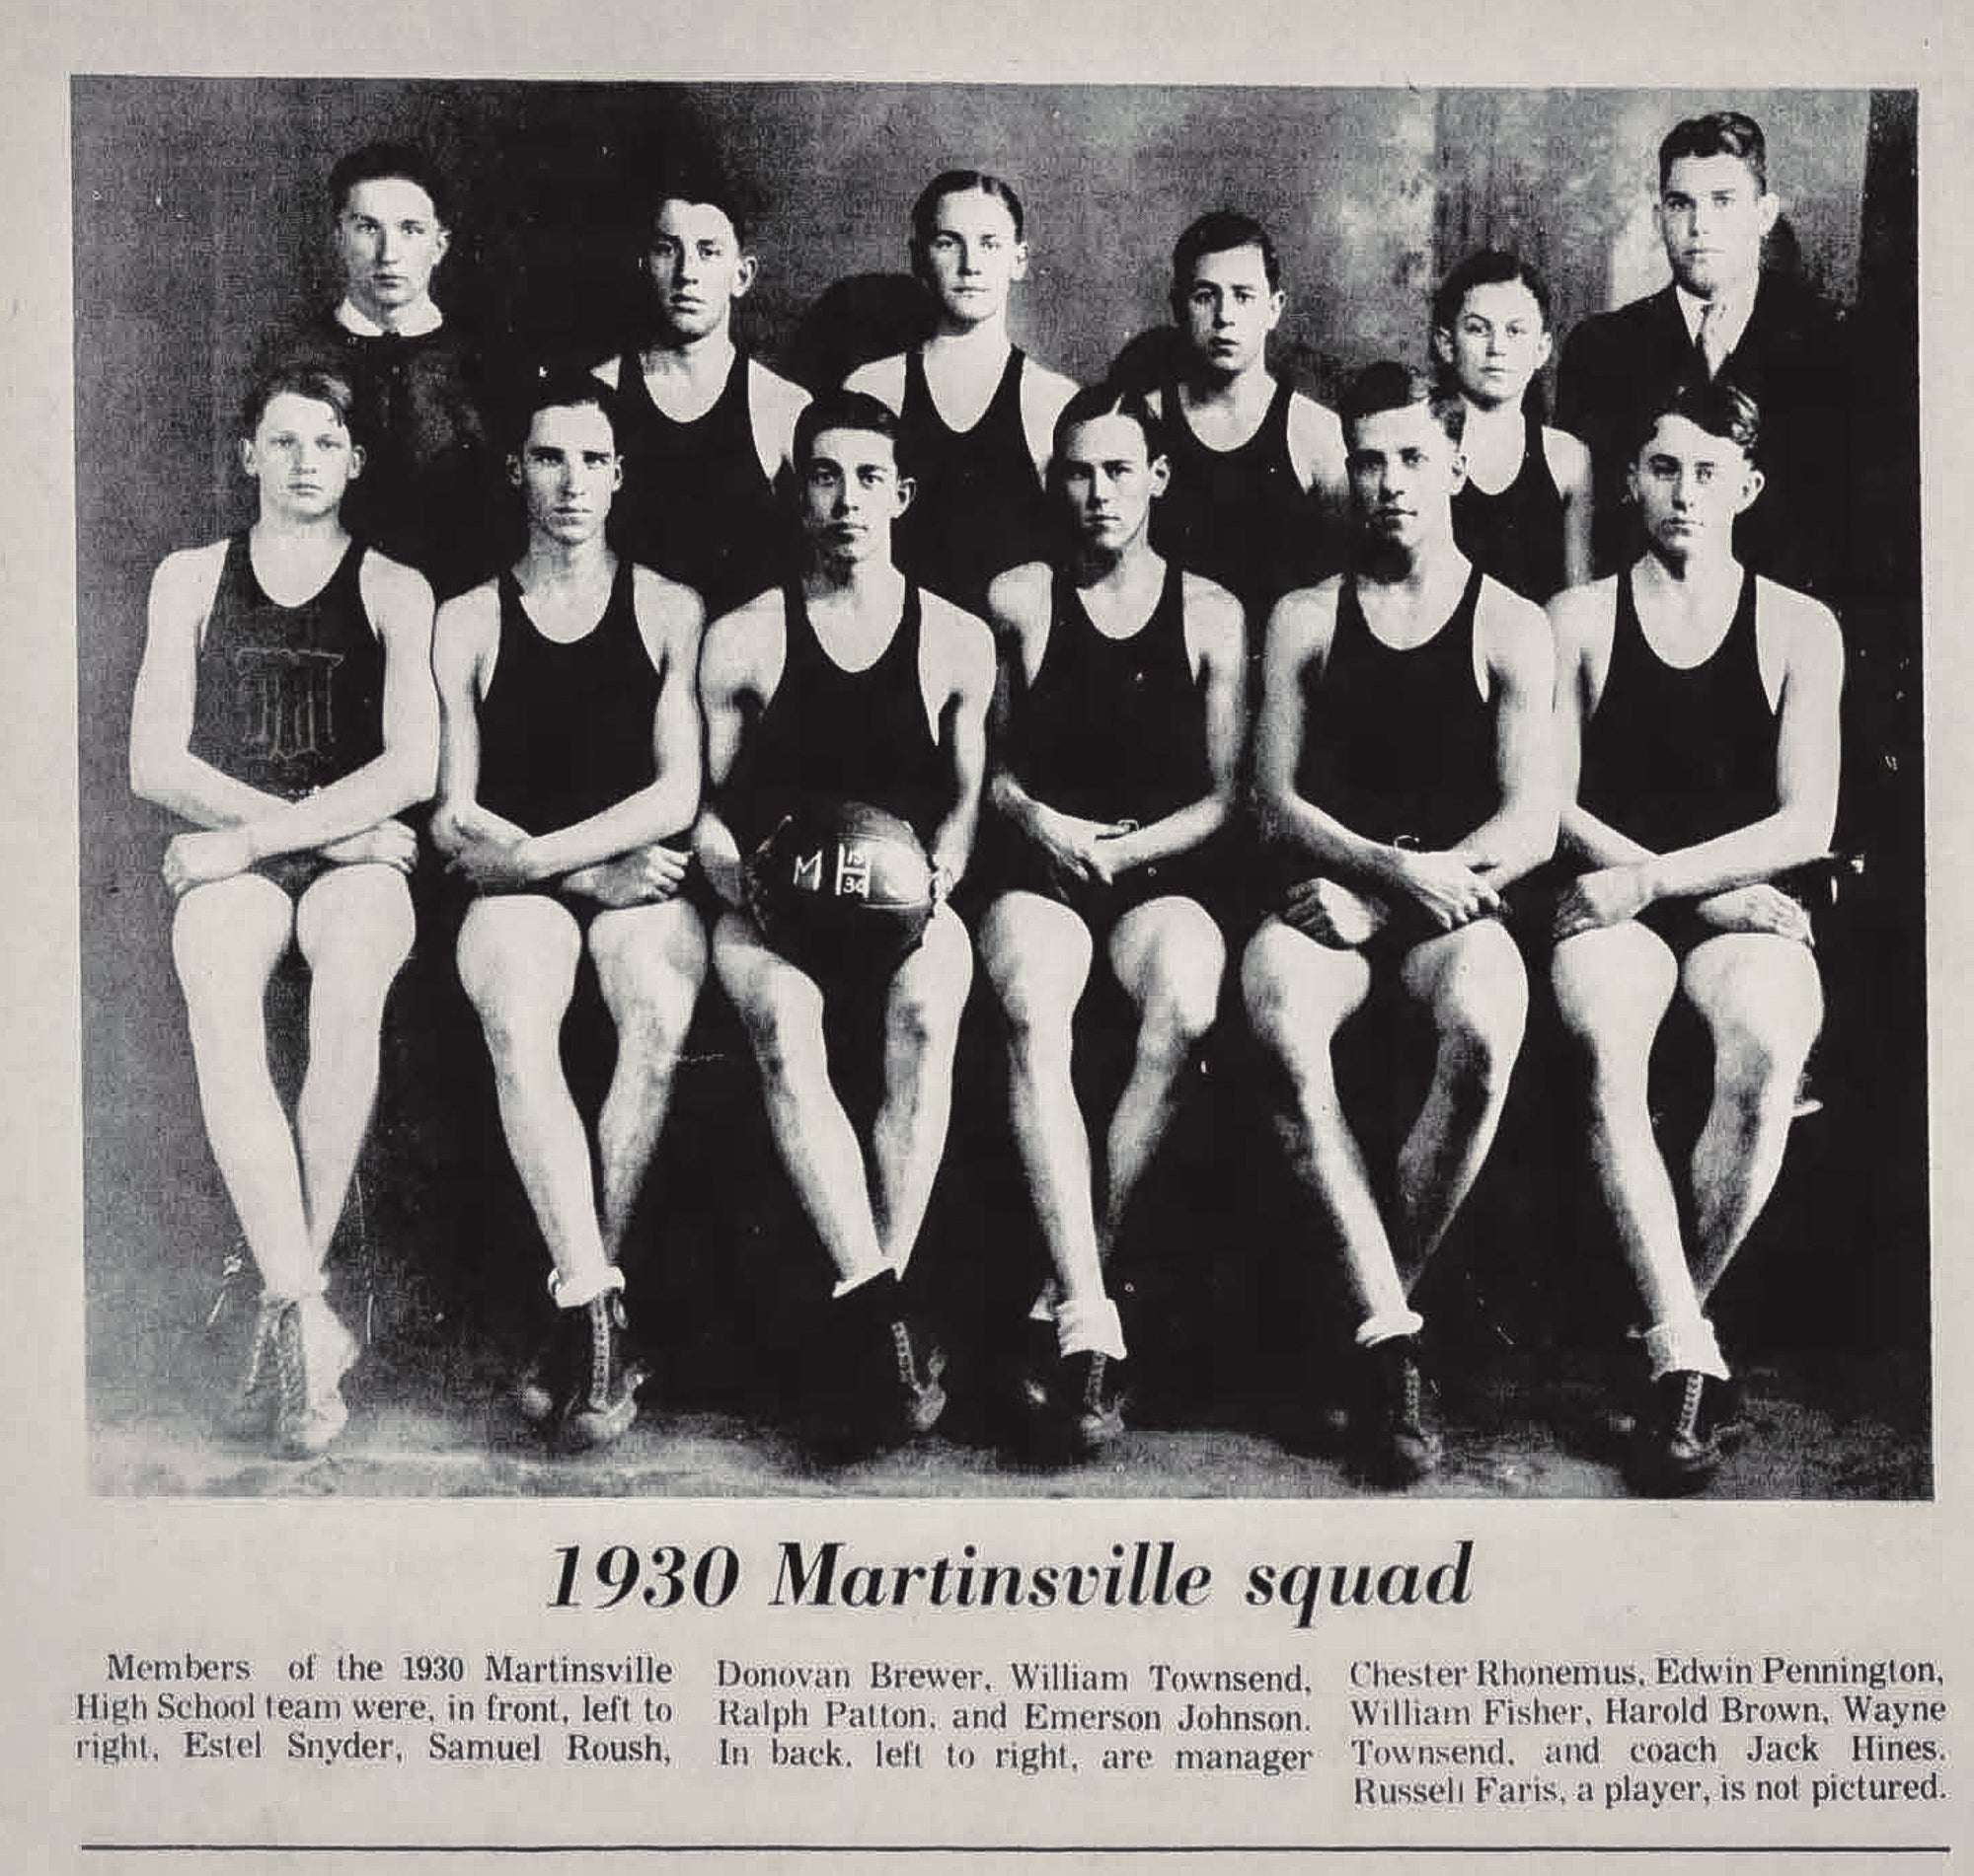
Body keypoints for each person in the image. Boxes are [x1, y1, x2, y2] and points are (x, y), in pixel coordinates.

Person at [1241, 363, 1555, 1484]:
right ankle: (1392, 1347)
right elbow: (1270, 800)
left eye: (1413, 457)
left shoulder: (1513, 623)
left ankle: (1371, 1326)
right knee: (1276, 1016)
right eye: (1368, 460)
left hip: (1444, 912)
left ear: (1455, 464)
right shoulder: (1301, 617)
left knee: (1484, 1022)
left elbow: (1529, 818)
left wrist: (1401, 893)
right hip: (1327, 901)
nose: (1389, 482)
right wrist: (1376, 878)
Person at [129, 363, 439, 1457]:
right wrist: (302, 831)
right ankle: (308, 1305)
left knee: (349, 982)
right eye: (284, 440)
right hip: (258, 854)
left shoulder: (396, 586)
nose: (305, 462)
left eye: (326, 443)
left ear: (354, 462)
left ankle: (286, 1308)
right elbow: (154, 758)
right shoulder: (191, 577)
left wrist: (268, 837)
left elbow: (412, 764)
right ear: (247, 454)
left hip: (333, 856)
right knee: (218, 991)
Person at [1548, 380, 1842, 1495]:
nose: (1683, 493)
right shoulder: (1576, 619)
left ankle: (1667, 1334)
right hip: (1602, 900)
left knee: (1766, 1044)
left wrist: (1666, 886)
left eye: (1709, 473)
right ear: (1628, 480)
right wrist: (1648, 891)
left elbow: (1801, 821)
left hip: (1725, 903)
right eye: (1663, 469)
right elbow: (1548, 800)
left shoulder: (1798, 625)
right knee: (1601, 1042)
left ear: (1747, 487)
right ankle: (1682, 1354)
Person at [694, 390, 995, 1450]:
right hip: (775, 910)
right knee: (782, 1024)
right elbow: (705, 809)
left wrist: (945, 863)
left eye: (869, 478)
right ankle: (885, 1322)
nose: (847, 500)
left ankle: (875, 1309)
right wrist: (735, 878)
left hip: (903, 908)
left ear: (901, 494)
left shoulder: (956, 637)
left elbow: (963, 798)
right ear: (796, 489)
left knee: (926, 1012)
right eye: (825, 475)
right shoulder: (742, 636)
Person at [429, 376, 706, 1452]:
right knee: (514, 999)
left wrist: (546, 861)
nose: (571, 483)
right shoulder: (467, 617)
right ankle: (595, 1303)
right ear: (517, 469)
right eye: (550, 458)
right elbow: (456, 811)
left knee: (656, 1007)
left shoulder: (669, 606)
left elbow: (674, 794)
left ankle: (580, 1311)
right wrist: (573, 874)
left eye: (593, 461)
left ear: (620, 475)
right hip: (547, 885)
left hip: (625, 879)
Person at [977, 385, 1247, 1453]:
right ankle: (1090, 1324)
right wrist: (1041, 823)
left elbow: (1229, 794)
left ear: (1156, 478)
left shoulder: (1213, 610)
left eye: (1119, 471)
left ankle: (1068, 1269)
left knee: (1181, 1002)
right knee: (1035, 1006)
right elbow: (983, 769)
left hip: (1152, 868)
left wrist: (1122, 850)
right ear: (1056, 478)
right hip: (1039, 870)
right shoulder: (1015, 598)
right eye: (1079, 472)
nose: (1098, 493)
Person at [1555, 110, 1851, 597]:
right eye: (1680, 204)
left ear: (1764, 214)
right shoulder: (1602, 348)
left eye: (1722, 202)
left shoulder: (1833, 341)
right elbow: (1587, 526)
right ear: (1658, 217)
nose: (1699, 226)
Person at [845, 170, 1077, 617]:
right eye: (948, 242)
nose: (970, 264)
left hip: (1012, 667)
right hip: (896, 658)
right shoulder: (872, 388)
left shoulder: (1053, 400)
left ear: (1019, 260)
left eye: (990, 243)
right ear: (918, 258)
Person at [272, 142, 497, 599]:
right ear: (338, 236)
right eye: (367, 228)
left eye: (410, 230)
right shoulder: (290, 360)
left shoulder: (489, 364)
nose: (388, 253)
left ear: (440, 245)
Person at [594, 168, 809, 621]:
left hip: (741, 671)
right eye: (666, 250)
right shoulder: (597, 395)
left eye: (708, 252)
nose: (686, 273)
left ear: (742, 275)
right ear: (643, 265)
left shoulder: (782, 407)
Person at [1135, 210, 1348, 631]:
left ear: (1274, 308)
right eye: (1205, 296)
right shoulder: (1142, 420)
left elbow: (1353, 579)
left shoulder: (1316, 433)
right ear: (1179, 307)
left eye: (1243, 295)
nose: (1224, 316)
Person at [1431, 249, 1593, 602]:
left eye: (1515, 331)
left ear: (1541, 349)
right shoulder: (1422, 446)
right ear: (1446, 344)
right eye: (1477, 329)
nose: (1497, 347)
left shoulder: (1567, 457)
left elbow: (1577, 600)